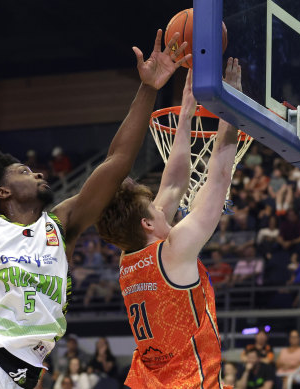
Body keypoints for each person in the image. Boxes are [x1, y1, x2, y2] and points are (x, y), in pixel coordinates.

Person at [0, 29, 191, 389]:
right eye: (24, 172)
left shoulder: (61, 226)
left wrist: (149, 87)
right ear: (3, 191)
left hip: (28, 375)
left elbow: (117, 160)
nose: (38, 172)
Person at [95, 58, 244, 388]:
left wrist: (187, 115)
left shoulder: (129, 256)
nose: (163, 208)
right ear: (148, 224)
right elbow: (219, 175)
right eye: (155, 209)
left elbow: (175, 183)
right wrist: (229, 106)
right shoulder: (176, 248)